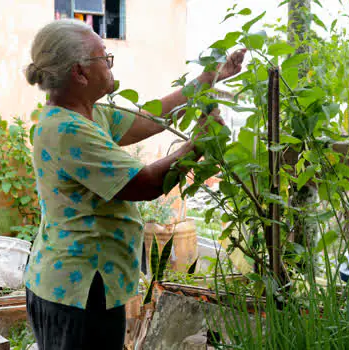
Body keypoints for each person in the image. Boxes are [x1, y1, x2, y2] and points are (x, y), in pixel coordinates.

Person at [22, 19, 246, 349]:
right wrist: (198, 143)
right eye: (105, 57)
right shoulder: (65, 130)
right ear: (80, 72)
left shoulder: (88, 114)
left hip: (83, 285)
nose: (111, 64)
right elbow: (146, 184)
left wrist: (209, 77)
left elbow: (148, 120)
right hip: (77, 291)